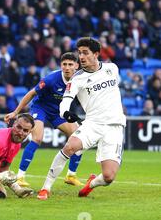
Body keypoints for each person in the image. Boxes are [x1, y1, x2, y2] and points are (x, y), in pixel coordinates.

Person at [37, 37, 126, 200]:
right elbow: (66, 100)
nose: (82, 57)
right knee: (70, 147)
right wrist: (65, 113)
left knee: (108, 177)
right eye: (80, 53)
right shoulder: (77, 78)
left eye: (85, 53)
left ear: (96, 54)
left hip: (114, 126)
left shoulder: (112, 68)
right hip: (92, 124)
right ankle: (46, 188)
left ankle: (91, 183)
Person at [4, 52, 83, 188]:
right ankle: (20, 177)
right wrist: (16, 112)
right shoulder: (51, 79)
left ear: (76, 66)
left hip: (59, 112)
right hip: (41, 108)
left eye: (70, 64)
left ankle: (71, 175)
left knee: (79, 137)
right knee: (37, 138)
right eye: (64, 64)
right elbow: (31, 93)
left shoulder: (80, 79)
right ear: (61, 65)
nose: (67, 67)